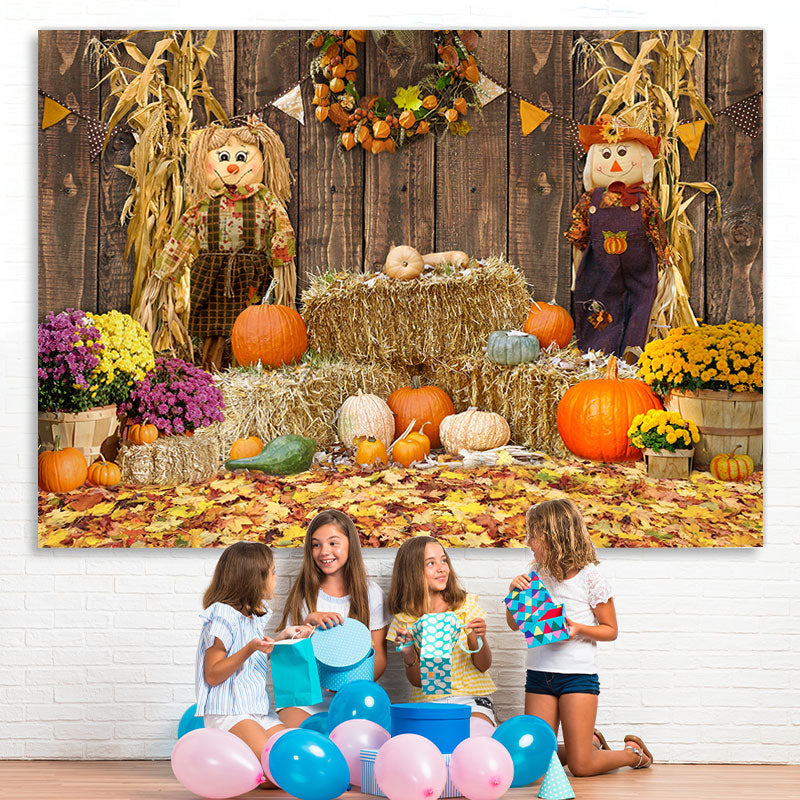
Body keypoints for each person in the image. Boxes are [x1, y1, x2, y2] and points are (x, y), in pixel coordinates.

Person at [507, 498, 653, 776]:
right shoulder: (536, 573)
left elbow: (610, 630)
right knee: (536, 759)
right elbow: (515, 625)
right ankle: (590, 744)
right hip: (539, 675)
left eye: (534, 536)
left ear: (553, 538)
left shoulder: (590, 578)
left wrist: (577, 628)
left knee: (580, 766)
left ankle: (633, 755)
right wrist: (514, 592)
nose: (528, 542)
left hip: (577, 677)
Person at [141, 116, 297, 372]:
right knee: (211, 328)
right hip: (210, 274)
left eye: (241, 157)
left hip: (252, 273)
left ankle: (244, 373)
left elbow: (282, 228)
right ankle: (210, 374)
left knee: (252, 329)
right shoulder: (204, 203)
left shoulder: (263, 198)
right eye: (224, 158)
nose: (233, 167)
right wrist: (165, 274)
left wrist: (283, 268)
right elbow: (181, 236)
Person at [196, 541, 313, 782]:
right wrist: (250, 648)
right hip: (230, 712)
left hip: (257, 711)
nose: (275, 578)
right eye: (272, 572)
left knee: (296, 758)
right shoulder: (223, 615)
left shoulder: (252, 617)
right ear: (253, 578)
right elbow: (213, 674)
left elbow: (252, 658)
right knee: (277, 772)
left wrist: (282, 639)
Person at [565, 114, 669, 359]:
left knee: (641, 302)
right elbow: (579, 227)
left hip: (639, 263)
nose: (614, 164)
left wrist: (664, 254)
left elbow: (655, 226)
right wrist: (579, 247)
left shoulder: (644, 200)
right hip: (600, 263)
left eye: (623, 154)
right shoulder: (591, 199)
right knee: (598, 301)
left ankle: (633, 352)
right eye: (607, 155)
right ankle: (597, 351)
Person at [277, 509, 390, 726]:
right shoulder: (304, 593)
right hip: (306, 697)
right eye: (316, 544)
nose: (323, 552)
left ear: (350, 545)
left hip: (353, 695)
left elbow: (379, 658)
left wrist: (348, 687)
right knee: (295, 736)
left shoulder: (370, 593)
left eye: (333, 543)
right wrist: (306, 628)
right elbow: (290, 661)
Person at [387, 536, 496, 726]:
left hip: (471, 700)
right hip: (429, 702)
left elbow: (483, 665)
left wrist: (479, 638)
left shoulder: (465, 606)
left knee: (475, 736)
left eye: (443, 560)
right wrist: (408, 655)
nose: (441, 568)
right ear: (412, 572)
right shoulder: (405, 620)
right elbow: (418, 682)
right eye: (431, 563)